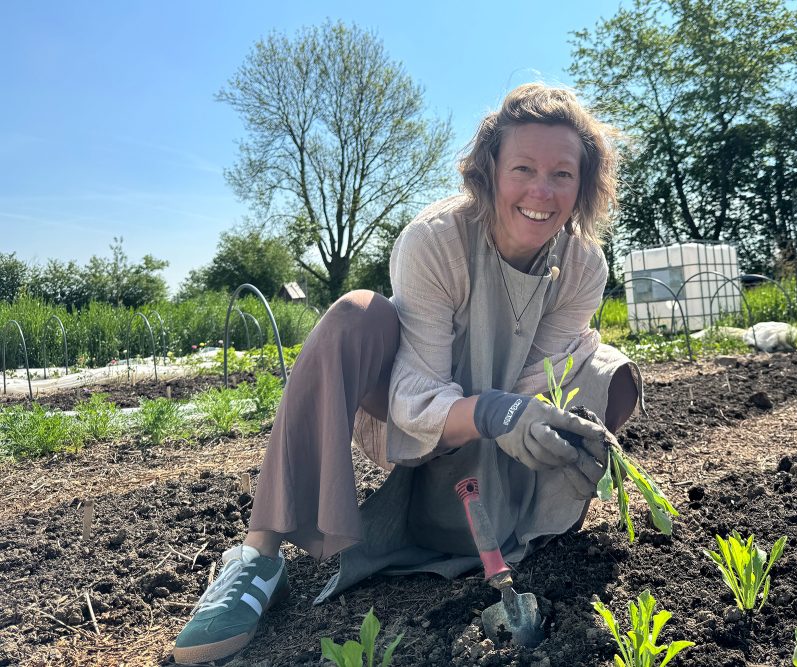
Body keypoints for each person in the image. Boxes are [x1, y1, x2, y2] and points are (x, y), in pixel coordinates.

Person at [172, 83, 642, 665]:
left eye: (563, 175)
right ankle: (257, 560)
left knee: (610, 371)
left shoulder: (582, 264)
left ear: (584, 184)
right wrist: (494, 412)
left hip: (497, 435)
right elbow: (417, 390)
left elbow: (536, 376)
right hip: (419, 414)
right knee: (355, 317)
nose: (541, 192)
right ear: (490, 169)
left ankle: (538, 521)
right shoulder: (436, 240)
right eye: (523, 168)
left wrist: (534, 418)